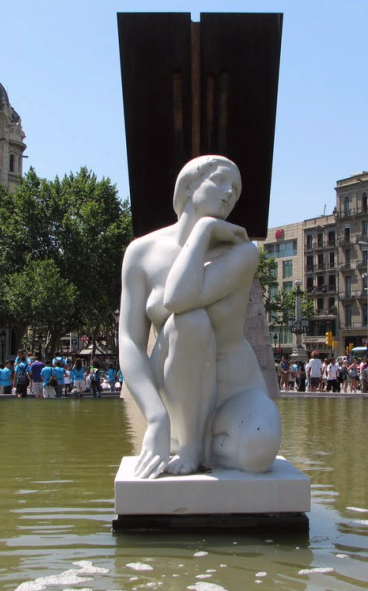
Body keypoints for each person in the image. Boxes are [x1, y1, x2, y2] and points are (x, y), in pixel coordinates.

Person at [119, 155, 281, 478]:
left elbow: (178, 295)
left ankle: (206, 447)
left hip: (234, 395)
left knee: (262, 446)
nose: (229, 194)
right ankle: (189, 444)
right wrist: (155, 417)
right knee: (189, 323)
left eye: (234, 190)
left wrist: (205, 229)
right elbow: (129, 340)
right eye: (220, 181)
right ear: (190, 184)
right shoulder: (141, 253)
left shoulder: (243, 252)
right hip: (177, 395)